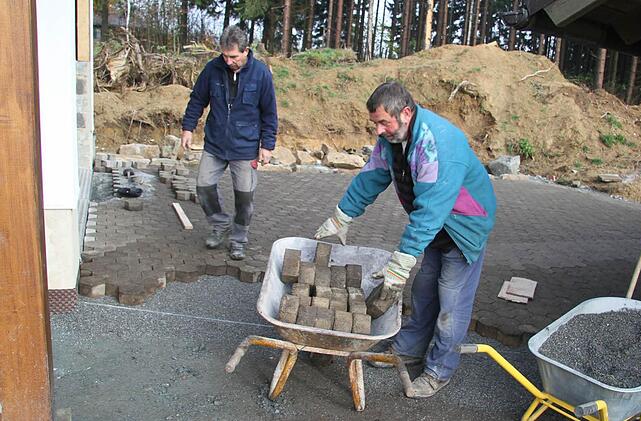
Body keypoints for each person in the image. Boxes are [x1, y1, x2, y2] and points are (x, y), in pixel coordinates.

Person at [315, 82, 496, 398]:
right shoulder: (391, 140)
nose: (379, 130)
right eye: (375, 123)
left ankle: (440, 370)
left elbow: (429, 212)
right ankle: (410, 348)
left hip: (464, 225)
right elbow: (372, 177)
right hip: (437, 227)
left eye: (384, 122)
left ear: (407, 112)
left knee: (451, 303)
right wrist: (340, 216)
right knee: (425, 289)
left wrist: (400, 263)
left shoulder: (437, 145)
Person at [181, 25, 277, 260]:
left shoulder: (261, 74)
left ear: (246, 51)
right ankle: (220, 223)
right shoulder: (213, 69)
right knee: (203, 186)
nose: (228, 60)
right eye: (224, 55)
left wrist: (267, 145)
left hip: (245, 147)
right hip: (215, 143)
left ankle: (238, 239)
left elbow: (269, 113)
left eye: (233, 56)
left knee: (244, 197)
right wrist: (188, 128)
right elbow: (197, 100)